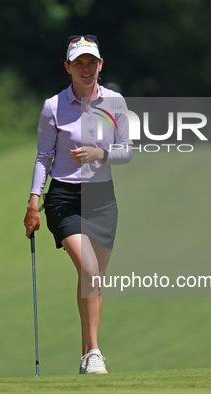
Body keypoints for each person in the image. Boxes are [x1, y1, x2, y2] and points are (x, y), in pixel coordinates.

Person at [23, 35, 132, 374]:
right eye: (78, 63)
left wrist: (101, 153)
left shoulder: (115, 102)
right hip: (65, 199)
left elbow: (127, 151)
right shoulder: (54, 106)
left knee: (92, 281)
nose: (86, 68)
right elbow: (44, 157)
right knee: (89, 271)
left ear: (101, 65)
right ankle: (96, 352)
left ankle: (87, 355)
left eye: (91, 62)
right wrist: (32, 202)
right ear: (68, 67)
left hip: (102, 201)